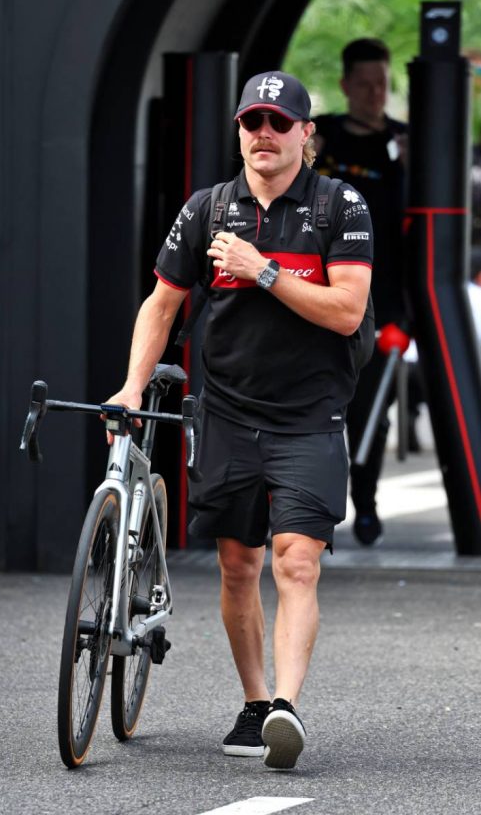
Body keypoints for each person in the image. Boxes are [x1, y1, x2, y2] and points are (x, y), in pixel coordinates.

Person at [106, 70, 373, 770]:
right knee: (236, 564)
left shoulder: (338, 206)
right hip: (224, 409)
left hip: (310, 414)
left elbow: (346, 311)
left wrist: (261, 272)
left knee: (297, 560)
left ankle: (287, 705)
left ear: (304, 134)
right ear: (238, 131)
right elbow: (161, 304)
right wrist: (132, 387)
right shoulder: (206, 210)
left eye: (278, 123)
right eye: (252, 122)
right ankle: (256, 703)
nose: (263, 134)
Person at [313, 39, 410, 546]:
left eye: (383, 84)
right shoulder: (319, 136)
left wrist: (407, 315)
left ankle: (366, 502)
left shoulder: (405, 143)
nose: (375, 93)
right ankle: (312, 510)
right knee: (314, 410)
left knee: (371, 411)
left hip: (381, 302)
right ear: (347, 84)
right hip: (312, 297)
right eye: (366, 83)